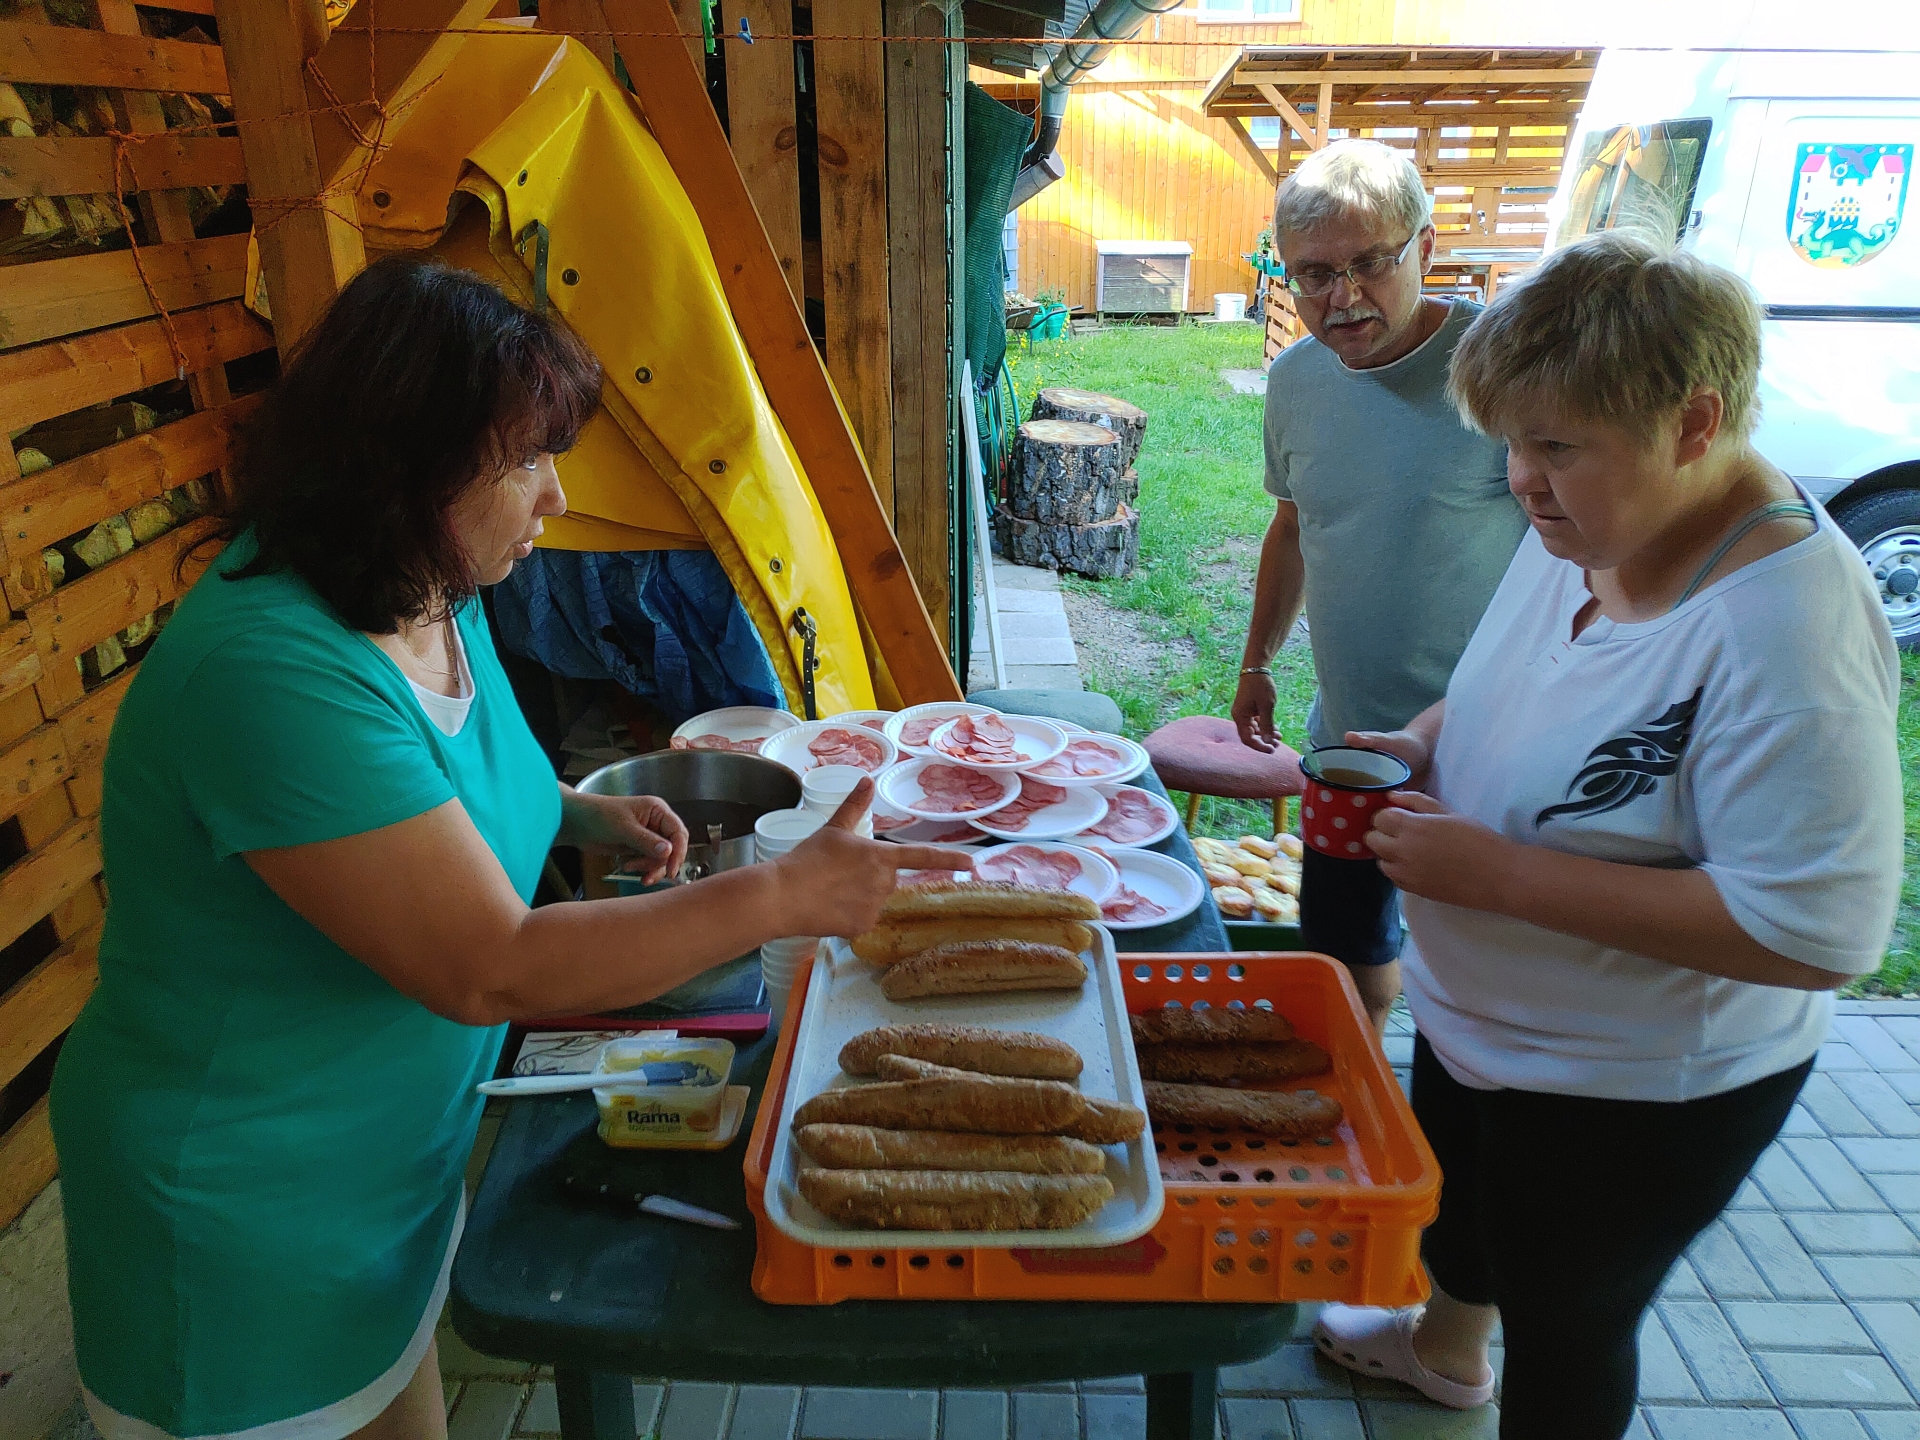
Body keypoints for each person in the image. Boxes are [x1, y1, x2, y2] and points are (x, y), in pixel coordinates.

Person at [49, 256, 971, 1440]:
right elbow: (492, 966)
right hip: (247, 1209)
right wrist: (786, 894)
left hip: (392, 1159)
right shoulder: (268, 673)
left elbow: (446, 771)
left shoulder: (428, 584)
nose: (556, 497)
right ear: (407, 466)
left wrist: (577, 810)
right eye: (527, 460)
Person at [1310, 232, 1902, 1438]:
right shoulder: (1595, 523)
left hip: (1628, 1087)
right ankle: (1443, 1352)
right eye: (1513, 444)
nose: (1521, 480)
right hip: (1486, 1027)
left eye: (1557, 447)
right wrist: (1425, 740)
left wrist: (1502, 877)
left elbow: (1815, 932)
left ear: (1694, 424)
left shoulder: (1789, 633)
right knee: (1465, 1217)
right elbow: (1516, 684)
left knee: (1569, 1318)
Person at [1232, 139, 1525, 1037]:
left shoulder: (1505, 369)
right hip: (1350, 743)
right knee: (1346, 955)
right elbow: (1294, 526)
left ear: (1425, 249)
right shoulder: (1295, 379)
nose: (1344, 297)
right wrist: (1257, 662)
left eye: (1370, 264)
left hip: (1489, 755)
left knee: (1475, 985)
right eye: (1315, 274)